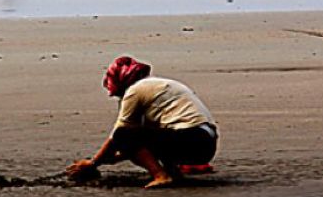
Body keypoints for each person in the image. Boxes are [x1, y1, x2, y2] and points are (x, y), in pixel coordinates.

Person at [66, 56, 219, 189]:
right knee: (151, 132)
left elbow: (119, 134)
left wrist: (93, 163)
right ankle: (173, 174)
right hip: (207, 144)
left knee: (123, 134)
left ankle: (161, 176)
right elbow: (146, 142)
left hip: (192, 139)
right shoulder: (156, 86)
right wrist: (116, 157)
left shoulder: (136, 90)